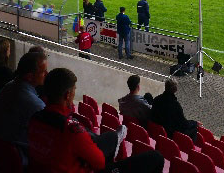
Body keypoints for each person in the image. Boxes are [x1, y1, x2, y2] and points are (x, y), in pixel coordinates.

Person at [28, 68, 164, 173]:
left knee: (110, 136)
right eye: (74, 90)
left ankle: (114, 141)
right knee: (156, 157)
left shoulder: (34, 119)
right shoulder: (71, 130)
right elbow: (100, 162)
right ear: (68, 95)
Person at [0, 50, 47, 165]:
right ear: (29, 76)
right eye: (43, 71)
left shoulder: (8, 86)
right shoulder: (36, 105)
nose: (46, 74)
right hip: (20, 160)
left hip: (0, 153)